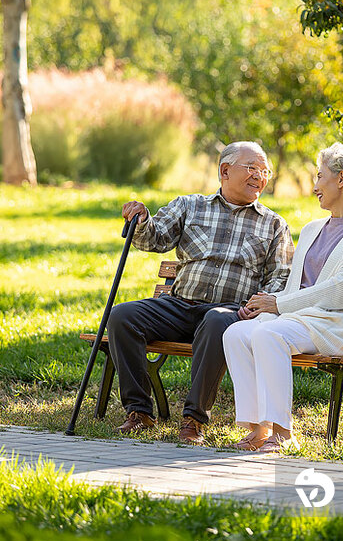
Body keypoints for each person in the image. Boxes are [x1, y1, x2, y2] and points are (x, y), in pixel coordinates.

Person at [107, 141, 294, 444]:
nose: (259, 176)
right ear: (225, 170)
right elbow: (152, 240)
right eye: (252, 168)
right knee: (122, 316)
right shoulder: (190, 206)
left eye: (264, 171)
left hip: (228, 311)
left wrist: (258, 304)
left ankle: (194, 419)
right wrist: (142, 219)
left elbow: (281, 276)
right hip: (178, 305)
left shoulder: (273, 224)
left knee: (217, 321)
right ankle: (139, 412)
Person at [223, 142, 343, 453]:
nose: (314, 187)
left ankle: (283, 434)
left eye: (320, 176)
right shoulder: (312, 229)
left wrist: (279, 307)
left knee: (271, 335)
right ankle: (259, 429)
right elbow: (295, 288)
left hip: (337, 324)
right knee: (236, 333)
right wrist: (265, 309)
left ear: (341, 179)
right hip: (300, 318)